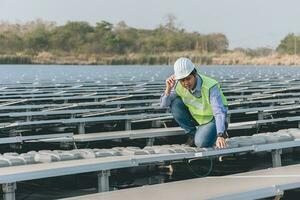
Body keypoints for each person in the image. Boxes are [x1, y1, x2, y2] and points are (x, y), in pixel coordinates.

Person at [160, 57, 228, 148]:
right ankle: (192, 134)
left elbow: (219, 112)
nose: (186, 83)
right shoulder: (177, 86)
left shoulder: (210, 86)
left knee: (201, 143)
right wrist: (168, 89)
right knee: (175, 103)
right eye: (182, 80)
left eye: (188, 79)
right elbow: (164, 105)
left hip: (213, 120)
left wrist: (221, 135)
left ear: (195, 74)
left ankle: (220, 129)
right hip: (197, 118)